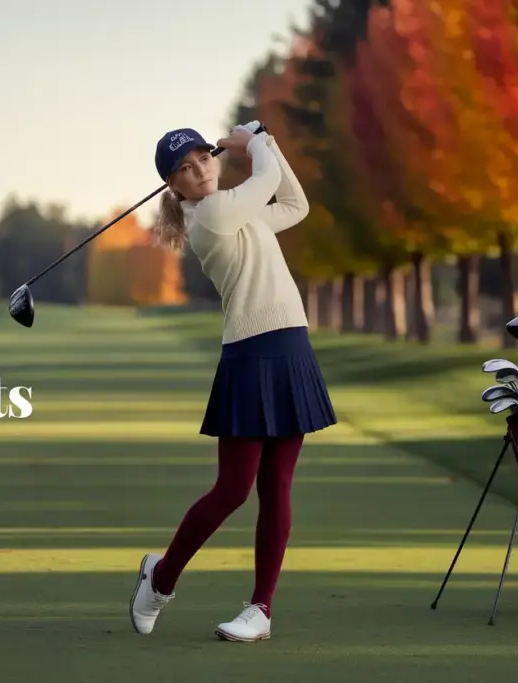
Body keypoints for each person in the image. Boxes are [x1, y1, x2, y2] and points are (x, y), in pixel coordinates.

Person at [128, 123, 337, 642]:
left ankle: (261, 610)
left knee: (278, 487)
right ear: (174, 186)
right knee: (234, 489)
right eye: (185, 168)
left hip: (291, 348)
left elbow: (294, 204)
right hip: (249, 354)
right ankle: (162, 576)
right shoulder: (212, 216)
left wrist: (269, 140)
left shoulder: (239, 212)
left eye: (203, 158)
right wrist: (255, 140)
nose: (199, 169)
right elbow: (265, 179)